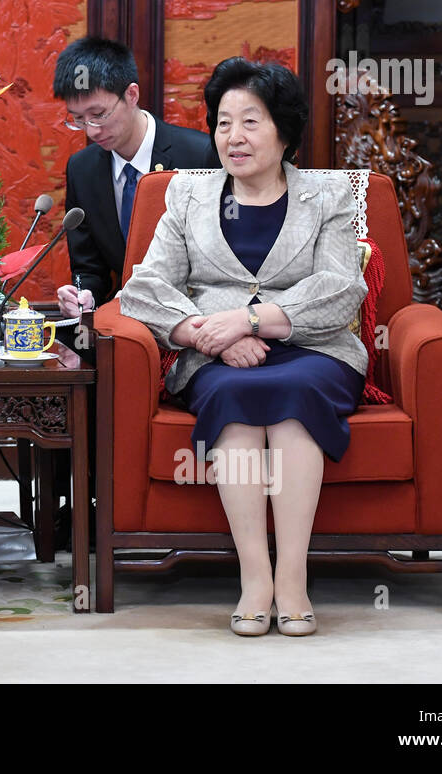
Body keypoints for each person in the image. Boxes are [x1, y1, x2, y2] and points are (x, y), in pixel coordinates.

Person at [118, 57, 367, 637]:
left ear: (283, 129)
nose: (234, 137)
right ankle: (256, 578)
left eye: (250, 122)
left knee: (294, 391)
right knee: (232, 394)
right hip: (215, 354)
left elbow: (339, 290)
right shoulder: (186, 195)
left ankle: (294, 579)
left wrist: (249, 322)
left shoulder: (329, 195)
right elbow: (145, 288)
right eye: (223, 122)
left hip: (314, 351)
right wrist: (206, 334)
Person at [52, 37, 219, 321]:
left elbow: (217, 261)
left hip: (198, 317)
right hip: (126, 323)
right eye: (78, 119)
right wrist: (83, 294)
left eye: (99, 114)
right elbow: (89, 269)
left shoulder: (200, 156)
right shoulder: (82, 169)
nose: (91, 131)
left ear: (131, 95)